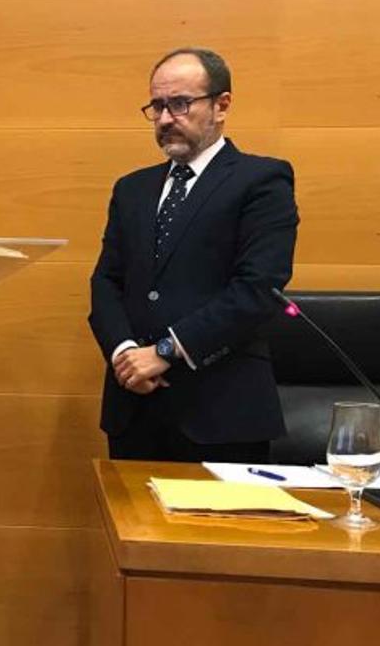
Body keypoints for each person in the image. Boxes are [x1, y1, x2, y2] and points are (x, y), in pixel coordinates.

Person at [88, 47, 299, 463]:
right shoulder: (131, 189)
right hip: (134, 408)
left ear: (221, 105)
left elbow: (257, 289)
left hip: (220, 411)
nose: (166, 119)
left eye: (180, 104)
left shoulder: (262, 180)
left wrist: (165, 352)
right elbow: (107, 281)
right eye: (158, 106)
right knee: (132, 529)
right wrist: (124, 354)